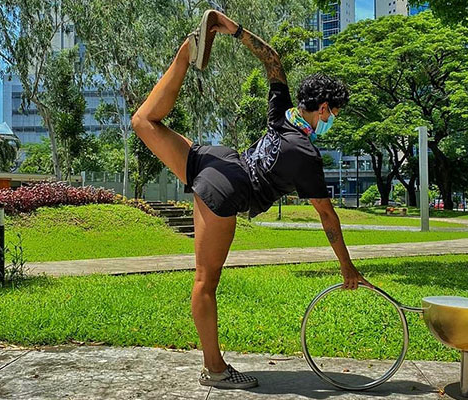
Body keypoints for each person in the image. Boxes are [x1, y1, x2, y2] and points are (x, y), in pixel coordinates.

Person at [131, 9, 372, 390]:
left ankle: (185, 55)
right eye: (333, 114)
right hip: (229, 189)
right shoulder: (307, 156)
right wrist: (347, 267)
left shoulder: (284, 113)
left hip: (220, 160)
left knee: (144, 122)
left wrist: (233, 29)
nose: (332, 120)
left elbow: (272, 59)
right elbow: (327, 218)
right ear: (323, 109)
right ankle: (215, 370)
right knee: (205, 282)